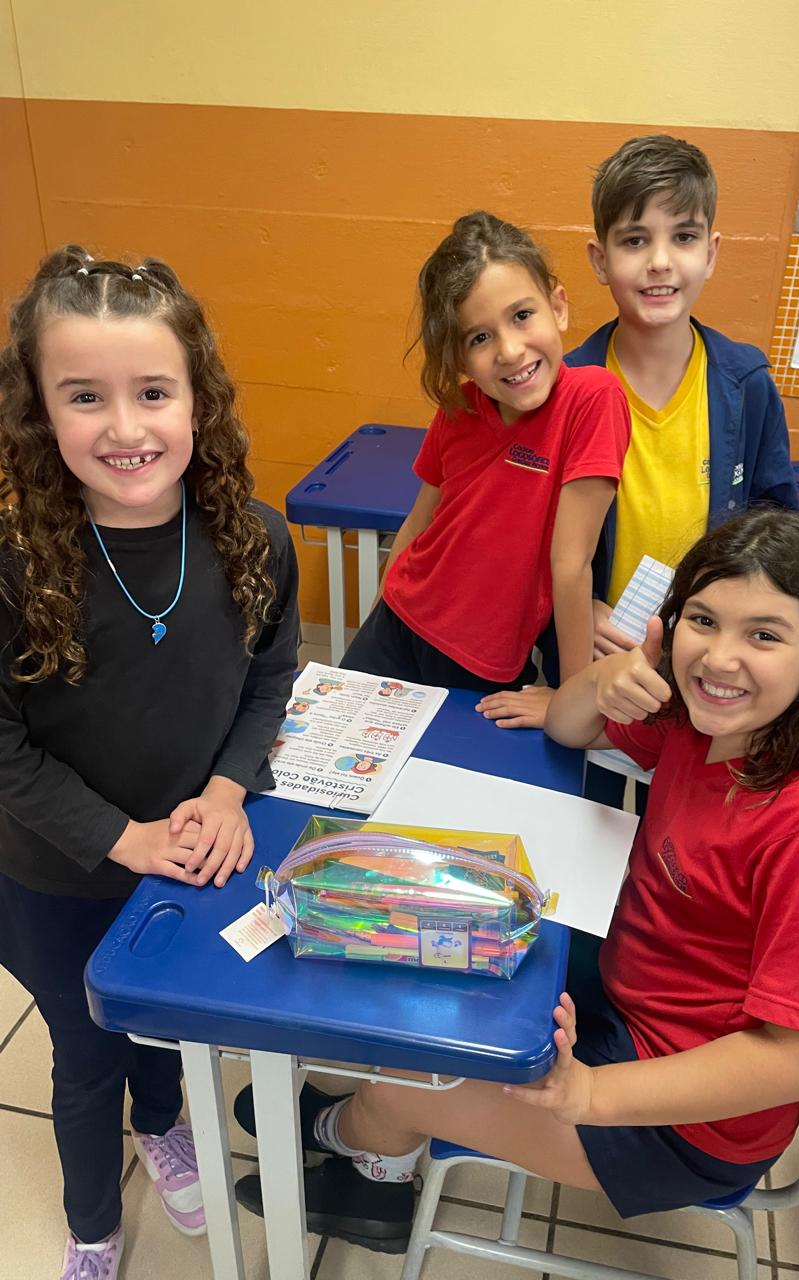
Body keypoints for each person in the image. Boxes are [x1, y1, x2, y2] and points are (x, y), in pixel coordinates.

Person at [232, 508, 799, 1252]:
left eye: (764, 635)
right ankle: (359, 1123)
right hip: (628, 993)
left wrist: (592, 1092)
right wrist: (612, 675)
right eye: (704, 621)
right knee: (421, 953)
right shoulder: (710, 724)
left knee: (400, 1085)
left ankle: (363, 1168)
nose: (719, 658)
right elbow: (571, 725)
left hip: (684, 1125)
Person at [0, 247, 300, 1279]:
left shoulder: (256, 539)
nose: (125, 428)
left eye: (153, 392)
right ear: (41, 412)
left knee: (165, 1030)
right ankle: (91, 1224)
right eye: (85, 396)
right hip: (57, 874)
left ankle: (164, 1124)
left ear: (198, 399)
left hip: (191, 852)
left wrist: (226, 791)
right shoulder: (16, 566)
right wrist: (118, 836)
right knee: (87, 1054)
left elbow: (269, 681)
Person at [537, 133, 798, 786]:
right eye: (634, 240)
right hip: (594, 658)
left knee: (681, 816)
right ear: (600, 259)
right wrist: (579, 610)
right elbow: (526, 541)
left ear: (711, 252)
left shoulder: (744, 384)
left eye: (683, 237)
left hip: (710, 671)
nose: (660, 262)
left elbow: (778, 530)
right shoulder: (562, 390)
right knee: (587, 806)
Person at [340, 212, 630, 728]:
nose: (510, 351)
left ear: (558, 307)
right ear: (458, 357)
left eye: (522, 315)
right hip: (397, 623)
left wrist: (571, 697)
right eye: (479, 338)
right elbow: (418, 523)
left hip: (481, 661)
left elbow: (571, 566)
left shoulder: (593, 398)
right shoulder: (460, 409)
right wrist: (378, 613)